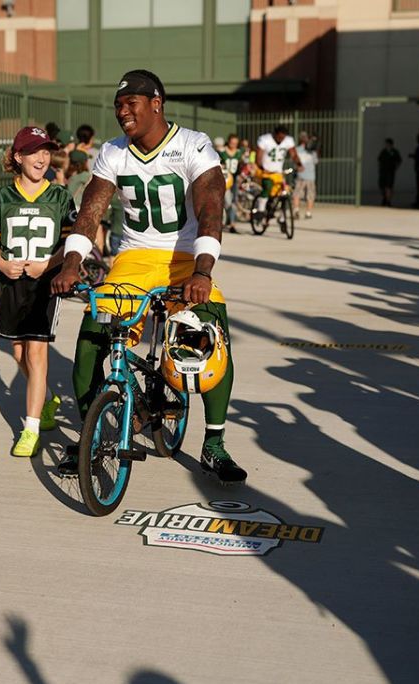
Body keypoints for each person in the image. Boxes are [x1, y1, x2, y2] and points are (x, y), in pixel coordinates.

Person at [52, 68, 247, 484]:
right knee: (90, 340)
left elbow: (212, 208)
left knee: (213, 338)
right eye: (118, 105)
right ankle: (93, 436)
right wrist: (72, 261)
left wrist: (203, 271)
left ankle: (214, 445)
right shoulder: (113, 152)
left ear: (156, 102)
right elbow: (91, 212)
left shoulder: (194, 145)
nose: (123, 111)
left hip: (185, 257)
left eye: (131, 104)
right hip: (135, 259)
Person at [0, 126, 75, 457]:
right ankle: (47, 398)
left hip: (44, 285)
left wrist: (48, 264)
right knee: (19, 353)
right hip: (12, 282)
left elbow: (71, 244)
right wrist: (2, 265)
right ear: (18, 157)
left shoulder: (61, 196)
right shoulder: (3, 197)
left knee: (36, 354)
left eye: (47, 150)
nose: (42, 157)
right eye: (35, 151)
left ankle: (30, 429)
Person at [253, 125, 301, 220]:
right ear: (274, 134)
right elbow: (258, 157)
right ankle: (261, 209)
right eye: (279, 137)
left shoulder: (288, 140)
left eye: (283, 138)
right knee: (267, 186)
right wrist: (261, 167)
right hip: (266, 171)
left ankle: (282, 218)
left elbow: (294, 154)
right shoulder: (265, 139)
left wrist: (299, 164)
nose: (281, 140)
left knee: (285, 192)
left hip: (278, 172)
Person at [218, 134, 245, 233]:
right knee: (228, 202)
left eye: (235, 143)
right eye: (232, 142)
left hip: (235, 179)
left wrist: (243, 174)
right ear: (228, 141)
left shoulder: (239, 153)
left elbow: (243, 165)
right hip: (225, 179)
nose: (233, 145)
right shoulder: (222, 152)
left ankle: (232, 224)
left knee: (234, 202)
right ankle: (227, 220)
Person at [294, 131, 318, 220]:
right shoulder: (312, 151)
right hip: (310, 175)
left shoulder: (297, 149)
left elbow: (295, 162)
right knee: (310, 195)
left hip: (301, 175)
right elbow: (315, 161)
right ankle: (308, 212)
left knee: (297, 193)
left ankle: (297, 210)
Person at [377, 138, 402, 207]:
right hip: (383, 171)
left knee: (389, 187)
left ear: (391, 144)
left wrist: (395, 168)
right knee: (382, 186)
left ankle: (388, 201)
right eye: (386, 144)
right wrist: (379, 169)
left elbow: (399, 160)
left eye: (387, 144)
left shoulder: (394, 152)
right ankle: (384, 198)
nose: (386, 145)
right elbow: (379, 160)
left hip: (390, 172)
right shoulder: (383, 151)